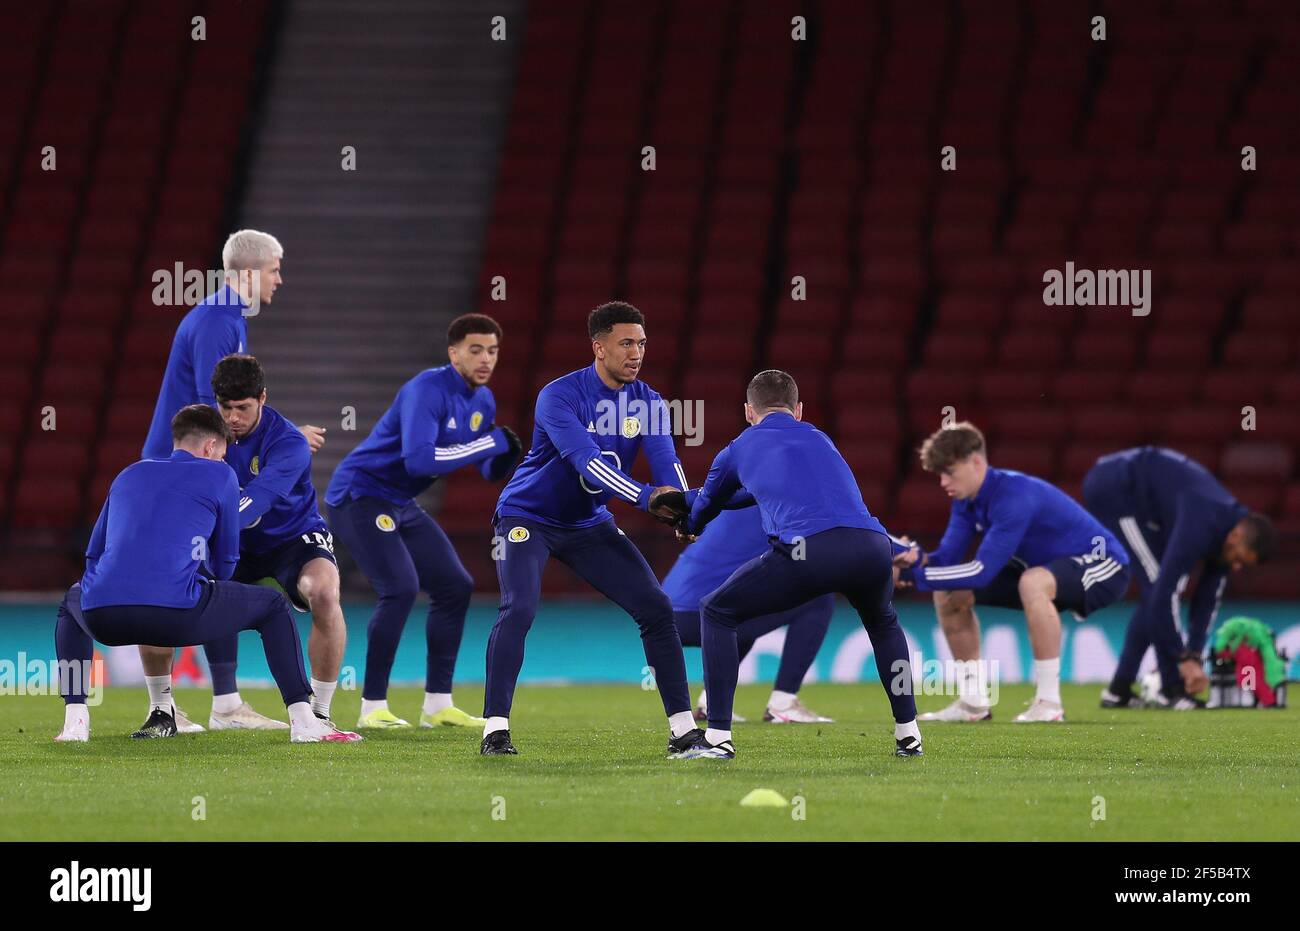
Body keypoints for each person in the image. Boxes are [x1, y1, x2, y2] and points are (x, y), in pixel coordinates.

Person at [54, 405, 359, 744]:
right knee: (273, 606)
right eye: (223, 454)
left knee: (69, 604)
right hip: (175, 616)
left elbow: (94, 553)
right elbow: (227, 562)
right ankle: (305, 720)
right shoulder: (221, 475)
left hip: (102, 617)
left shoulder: (129, 474)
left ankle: (76, 721)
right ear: (211, 447)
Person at [481, 301, 699, 756]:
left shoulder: (650, 402)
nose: (636, 352)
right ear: (598, 348)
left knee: (657, 608)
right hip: (527, 517)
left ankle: (683, 733)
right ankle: (495, 731)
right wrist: (645, 498)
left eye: (641, 343)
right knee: (519, 608)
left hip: (588, 522)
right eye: (626, 343)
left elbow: (667, 463)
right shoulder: (559, 396)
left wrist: (684, 511)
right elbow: (588, 463)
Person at [671, 370, 922, 760]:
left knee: (717, 611)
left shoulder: (739, 447)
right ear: (798, 410)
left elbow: (709, 505)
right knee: (883, 623)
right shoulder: (821, 439)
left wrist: (688, 523)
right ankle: (909, 734)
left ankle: (718, 737)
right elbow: (754, 496)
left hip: (810, 550)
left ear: (748, 412)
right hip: (872, 547)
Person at [137, 229, 325, 732]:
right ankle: (180, 705)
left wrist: (282, 431)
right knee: (171, 578)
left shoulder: (224, 317)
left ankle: (214, 704)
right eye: (275, 269)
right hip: (177, 470)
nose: (279, 279)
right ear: (248, 272)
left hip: (178, 466)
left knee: (198, 574)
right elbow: (210, 414)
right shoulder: (221, 322)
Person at [326, 314, 522, 729]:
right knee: (399, 589)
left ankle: (437, 704)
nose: (486, 359)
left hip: (399, 500)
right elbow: (421, 460)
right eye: (475, 350)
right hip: (360, 494)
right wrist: (489, 442)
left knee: (455, 586)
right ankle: (372, 707)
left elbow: (483, 468)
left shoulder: (482, 400)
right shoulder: (425, 390)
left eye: (492, 350)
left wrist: (501, 457)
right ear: (454, 354)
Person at [896, 422, 1130, 723]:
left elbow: (980, 572)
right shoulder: (965, 501)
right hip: (1044, 570)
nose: (943, 482)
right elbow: (945, 562)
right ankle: (973, 702)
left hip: (1105, 563)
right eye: (939, 474)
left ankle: (1049, 704)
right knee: (949, 592)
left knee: (1033, 583)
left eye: (949, 472)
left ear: (976, 462)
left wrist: (911, 577)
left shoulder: (1014, 496)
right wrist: (911, 558)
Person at [186, 354, 348, 730]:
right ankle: (217, 707)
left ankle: (320, 712)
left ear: (263, 398)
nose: (233, 419)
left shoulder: (288, 442)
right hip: (236, 542)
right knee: (198, 585)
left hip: (292, 537)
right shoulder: (205, 436)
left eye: (242, 408)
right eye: (225, 408)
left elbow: (256, 503)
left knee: (322, 591)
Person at [1082, 446, 1275, 709]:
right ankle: (1170, 690)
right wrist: (1181, 659)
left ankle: (1118, 692)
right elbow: (1163, 594)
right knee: (1156, 586)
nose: (1237, 567)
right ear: (1237, 536)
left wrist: (1194, 655)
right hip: (1114, 489)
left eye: (1243, 564)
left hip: (1148, 504)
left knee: (1157, 590)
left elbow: (1207, 600)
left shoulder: (1227, 537)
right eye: (1240, 559)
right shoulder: (1201, 524)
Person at [663, 506, 835, 723]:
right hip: (700, 614)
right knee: (819, 598)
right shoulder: (779, 508)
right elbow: (831, 542)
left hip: (667, 615)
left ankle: (710, 702)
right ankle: (783, 703)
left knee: (746, 603)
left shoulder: (729, 502)